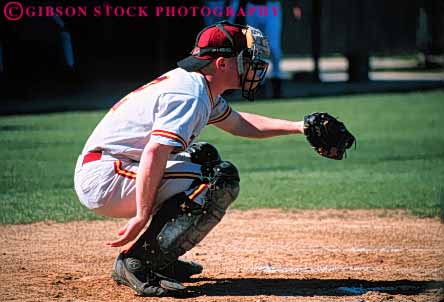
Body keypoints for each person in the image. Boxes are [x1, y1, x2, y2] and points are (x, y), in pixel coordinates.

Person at [74, 21, 305, 297]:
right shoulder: (189, 94)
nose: (253, 65)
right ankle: (138, 262)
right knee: (219, 180)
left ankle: (160, 257)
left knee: (206, 159)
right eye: (245, 59)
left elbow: (240, 124)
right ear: (221, 63)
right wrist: (141, 214)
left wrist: (299, 126)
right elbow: (154, 152)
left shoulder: (198, 86)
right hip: (107, 176)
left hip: (116, 167)